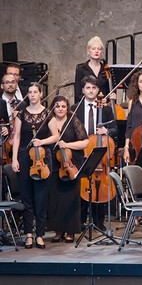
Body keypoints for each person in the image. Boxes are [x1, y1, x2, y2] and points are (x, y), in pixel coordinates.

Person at [73, 75, 118, 231]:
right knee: (82, 187)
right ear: (83, 90)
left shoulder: (105, 109)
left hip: (100, 153)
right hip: (81, 152)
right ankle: (80, 222)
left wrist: (107, 130)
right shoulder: (75, 108)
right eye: (88, 88)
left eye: (94, 88)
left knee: (100, 187)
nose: (91, 91)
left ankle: (99, 222)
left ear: (98, 90)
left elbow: (115, 129)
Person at [11, 82, 53, 249]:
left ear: (41, 94)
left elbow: (56, 136)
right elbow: (17, 137)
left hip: (42, 157)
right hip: (24, 156)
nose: (33, 95)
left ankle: (40, 235)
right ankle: (29, 234)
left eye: (35, 92)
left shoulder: (47, 113)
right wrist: (14, 159)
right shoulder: (21, 114)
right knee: (27, 197)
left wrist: (42, 141)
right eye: (30, 92)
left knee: (41, 198)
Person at [46, 96, 89, 243]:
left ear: (67, 108)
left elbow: (85, 142)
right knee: (55, 200)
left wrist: (67, 145)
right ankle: (58, 231)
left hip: (71, 165)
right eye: (57, 106)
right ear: (53, 108)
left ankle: (70, 232)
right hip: (54, 165)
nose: (60, 109)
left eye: (63, 106)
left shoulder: (73, 121)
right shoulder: (49, 122)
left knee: (70, 200)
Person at [74, 36, 111, 102]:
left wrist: (108, 99)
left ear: (101, 52)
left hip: (104, 105)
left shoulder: (107, 70)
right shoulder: (81, 69)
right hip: (87, 106)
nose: (96, 51)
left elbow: (110, 91)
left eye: (99, 49)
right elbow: (78, 94)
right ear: (88, 51)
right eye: (93, 49)